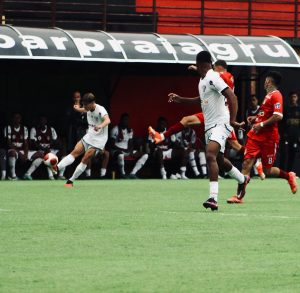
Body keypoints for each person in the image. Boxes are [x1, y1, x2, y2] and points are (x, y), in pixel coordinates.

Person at [163, 51, 249, 210]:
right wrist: (180, 99)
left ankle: (213, 198)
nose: (199, 69)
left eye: (200, 66)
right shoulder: (203, 80)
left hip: (221, 123)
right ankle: (243, 179)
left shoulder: (213, 77)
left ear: (205, 65)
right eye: (199, 67)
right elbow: (201, 100)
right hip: (210, 126)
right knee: (220, 160)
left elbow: (233, 97)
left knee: (210, 155)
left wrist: (231, 121)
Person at [227, 71, 297, 204]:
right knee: (246, 163)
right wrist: (256, 119)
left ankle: (288, 176)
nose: (264, 82)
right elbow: (266, 113)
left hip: (269, 139)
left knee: (267, 170)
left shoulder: (277, 95)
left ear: (269, 82)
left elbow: (278, 116)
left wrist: (262, 124)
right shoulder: (268, 96)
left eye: (266, 80)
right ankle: (238, 196)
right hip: (255, 136)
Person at [54, 92, 110, 187]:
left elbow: (108, 120)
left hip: (99, 140)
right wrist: (77, 109)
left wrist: (100, 126)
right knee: (74, 152)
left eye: (86, 105)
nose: (85, 107)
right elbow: (84, 110)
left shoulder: (101, 109)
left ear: (92, 103)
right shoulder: (88, 108)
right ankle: (56, 167)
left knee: (85, 158)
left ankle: (71, 181)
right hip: (89, 136)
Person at [110, 113, 149, 179]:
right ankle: (123, 174)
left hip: (126, 150)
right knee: (120, 155)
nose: (126, 121)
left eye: (127, 120)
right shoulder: (115, 129)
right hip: (116, 151)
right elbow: (112, 145)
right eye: (124, 119)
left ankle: (133, 173)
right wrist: (123, 150)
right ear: (121, 120)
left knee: (145, 155)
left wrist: (130, 151)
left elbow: (130, 143)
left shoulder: (130, 130)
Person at [23, 115, 60, 180]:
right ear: (38, 122)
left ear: (46, 121)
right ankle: (51, 176)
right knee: (47, 156)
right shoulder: (34, 129)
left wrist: (49, 147)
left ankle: (27, 174)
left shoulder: (51, 129)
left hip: (49, 149)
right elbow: (33, 143)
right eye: (41, 120)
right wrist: (44, 149)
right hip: (38, 150)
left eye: (43, 120)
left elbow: (55, 141)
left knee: (41, 159)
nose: (42, 122)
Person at [4, 113, 29, 180]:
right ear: (12, 119)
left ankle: (28, 174)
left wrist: (26, 154)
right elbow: (9, 143)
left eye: (18, 118)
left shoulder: (24, 128)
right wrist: (20, 153)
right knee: (13, 153)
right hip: (12, 150)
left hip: (22, 150)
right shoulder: (8, 128)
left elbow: (26, 143)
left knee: (40, 155)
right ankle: (13, 176)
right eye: (15, 117)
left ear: (20, 119)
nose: (17, 119)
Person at [280, 92, 300, 172]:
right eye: (291, 97)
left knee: (293, 155)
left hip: (295, 137)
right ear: (289, 98)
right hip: (286, 136)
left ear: (297, 98)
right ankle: (281, 172)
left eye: (294, 97)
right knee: (284, 154)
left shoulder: (299, 109)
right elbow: (281, 123)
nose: (293, 99)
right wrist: (281, 134)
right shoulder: (285, 109)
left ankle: (289, 172)